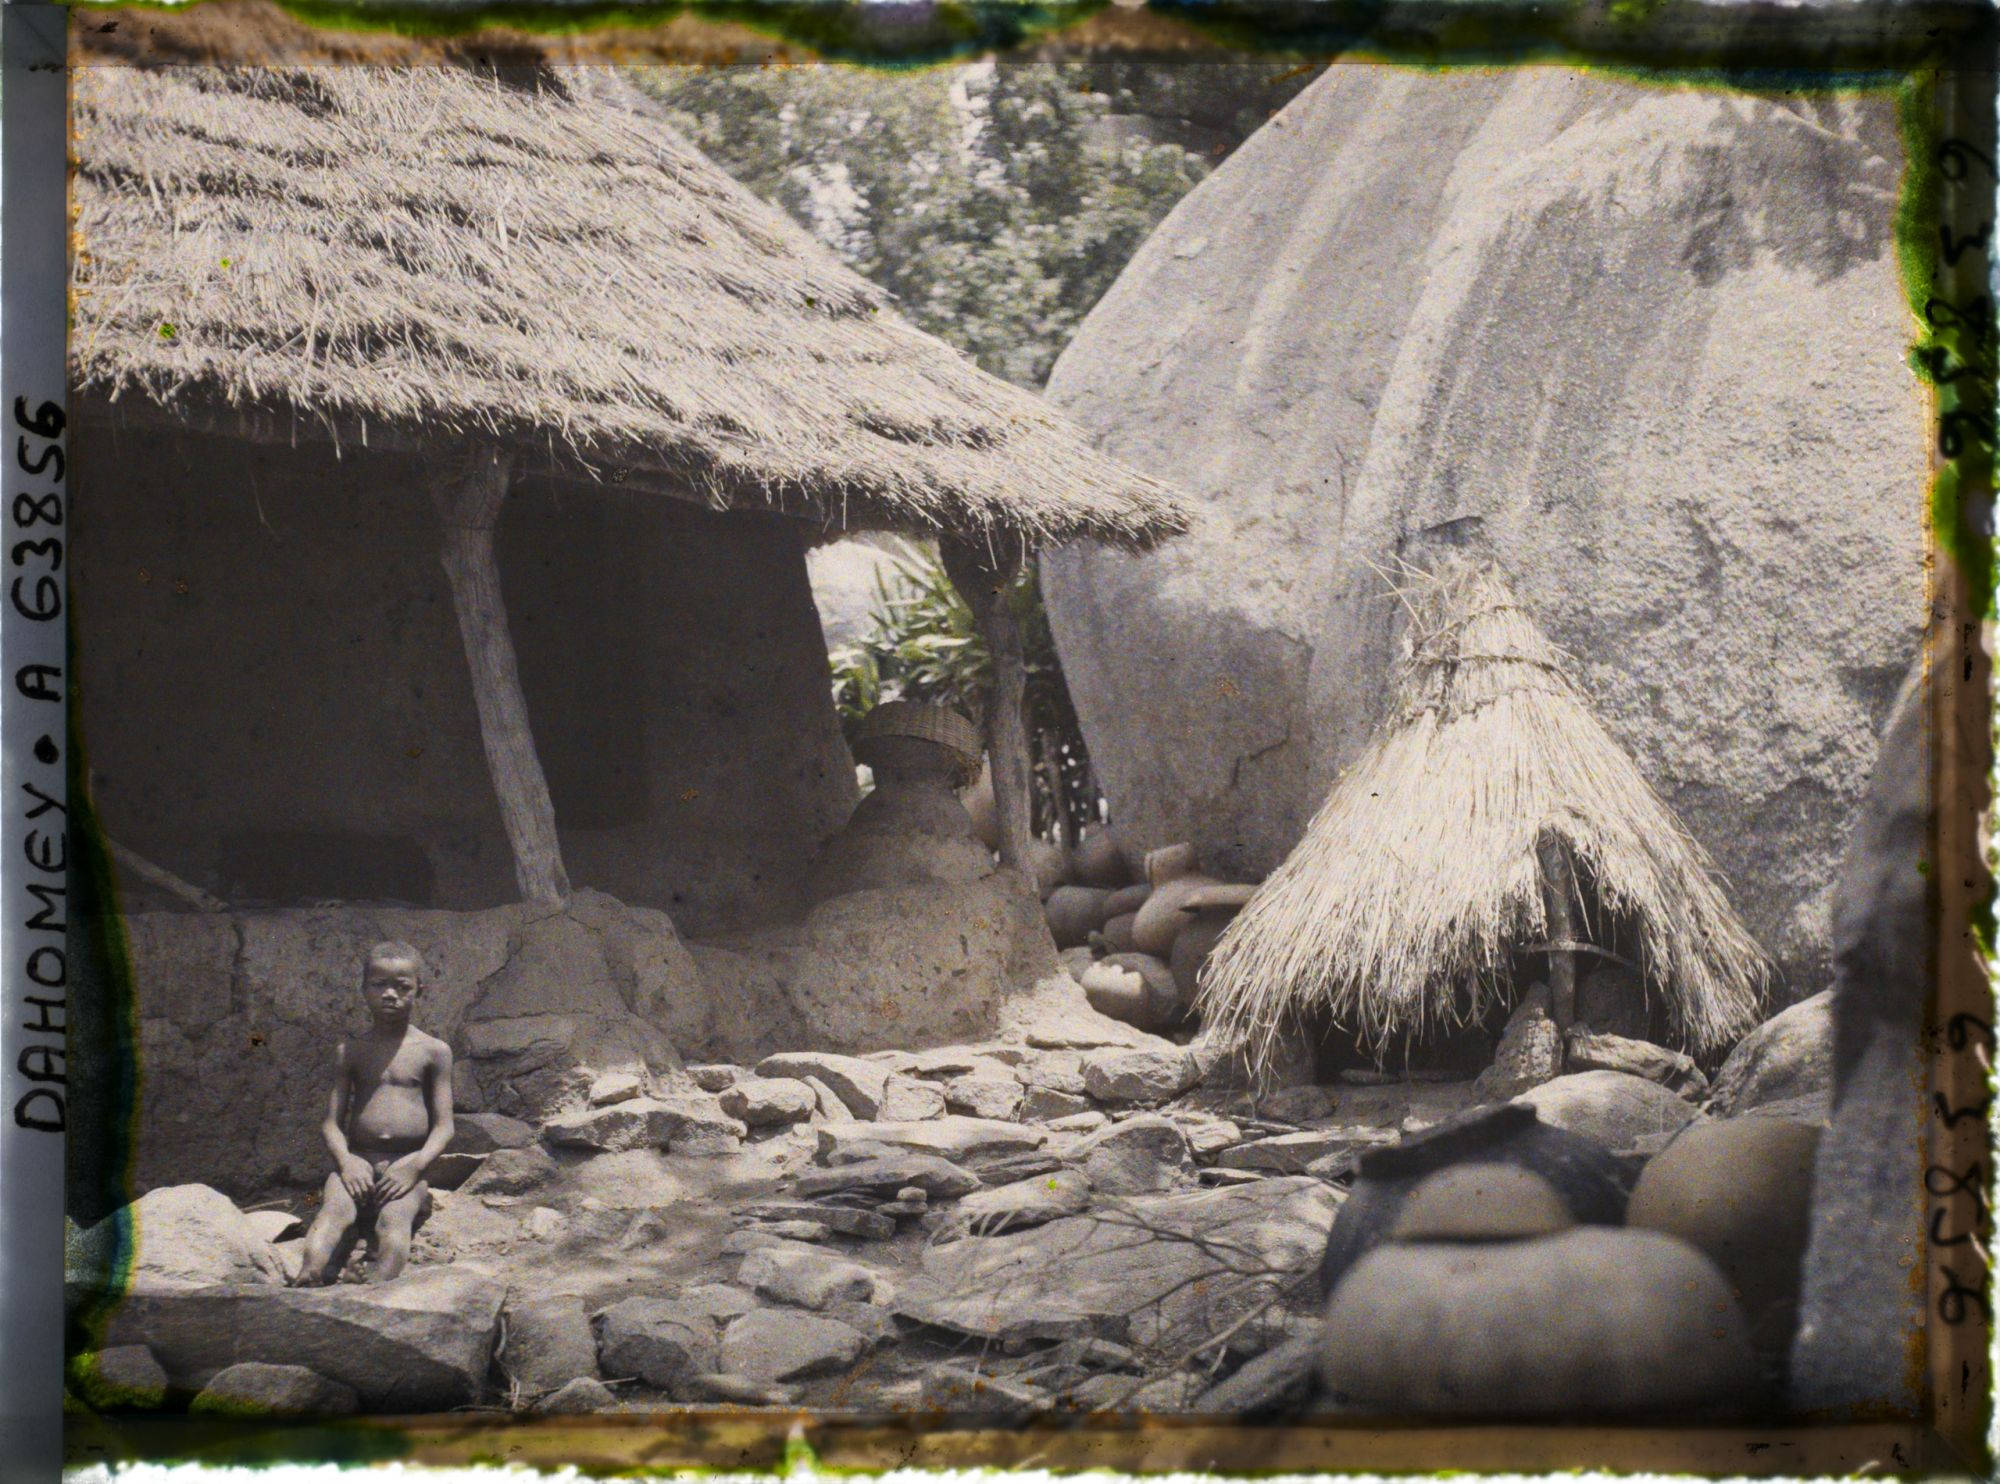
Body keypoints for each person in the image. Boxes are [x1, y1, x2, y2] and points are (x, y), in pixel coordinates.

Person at [294, 941, 454, 1285]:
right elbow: (331, 1124)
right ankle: (307, 1277)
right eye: (379, 984)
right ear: (364, 989)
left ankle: (377, 1287)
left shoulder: (434, 1051)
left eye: (402, 986)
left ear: (419, 990)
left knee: (393, 1223)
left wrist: (415, 1166)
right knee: (332, 1215)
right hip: (359, 1161)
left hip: (406, 1163)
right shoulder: (350, 1050)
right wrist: (346, 1162)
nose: (390, 994)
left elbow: (444, 1127)